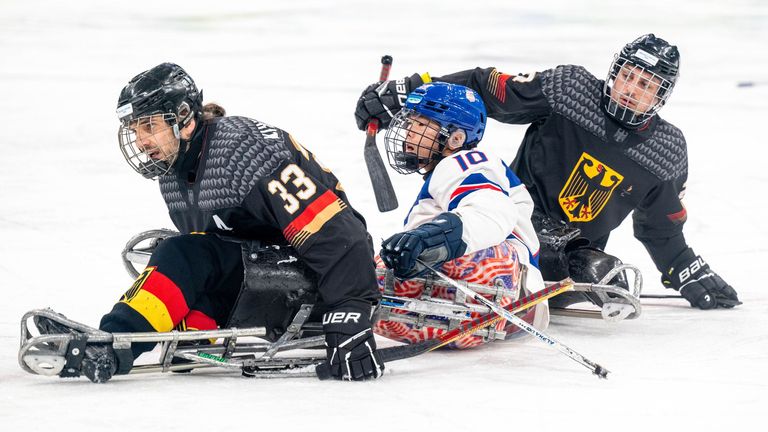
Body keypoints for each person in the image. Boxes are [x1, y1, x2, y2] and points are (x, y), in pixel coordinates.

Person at [51, 63, 384, 383]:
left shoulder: (242, 150)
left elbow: (340, 233)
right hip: (272, 275)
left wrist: (350, 310)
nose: (141, 141)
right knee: (178, 255)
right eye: (135, 131)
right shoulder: (172, 170)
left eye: (149, 127)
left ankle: (115, 343)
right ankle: (192, 332)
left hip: (329, 278)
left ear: (184, 118)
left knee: (180, 252)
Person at [355, 34, 740, 311]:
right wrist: (408, 95)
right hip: (513, 219)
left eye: (645, 84)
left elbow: (660, 229)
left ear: (661, 95)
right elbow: (485, 88)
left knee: (593, 266)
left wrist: (685, 269)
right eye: (626, 75)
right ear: (614, 71)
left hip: (571, 261)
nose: (630, 89)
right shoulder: (569, 89)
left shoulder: (667, 151)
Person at [373, 82, 548, 348]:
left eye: (421, 125)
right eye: (410, 124)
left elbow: (492, 212)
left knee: (364, 273)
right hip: (500, 300)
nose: (409, 133)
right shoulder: (450, 171)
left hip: (505, 290)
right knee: (386, 262)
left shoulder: (466, 161)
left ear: (455, 139)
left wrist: (428, 237)